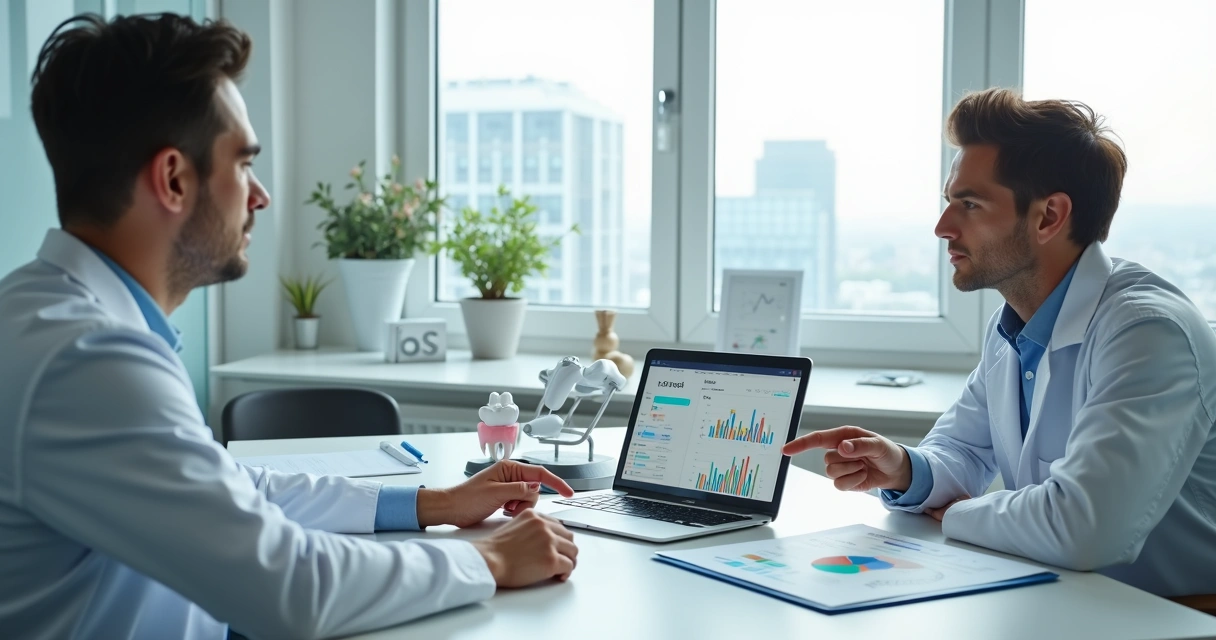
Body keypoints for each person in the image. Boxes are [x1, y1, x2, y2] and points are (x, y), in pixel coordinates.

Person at [0, 13, 578, 639]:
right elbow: (289, 588)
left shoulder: (58, 319)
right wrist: (489, 558)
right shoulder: (87, 360)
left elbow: (225, 491)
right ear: (173, 179)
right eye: (243, 164)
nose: (260, 195)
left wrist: (433, 504)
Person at [783, 88, 1216, 598]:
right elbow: (964, 447)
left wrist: (963, 514)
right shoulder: (1014, 324)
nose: (943, 227)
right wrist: (903, 468)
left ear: (1049, 216)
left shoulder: (1147, 333)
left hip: (1174, 614)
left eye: (969, 204)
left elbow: (1085, 529)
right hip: (1065, 597)